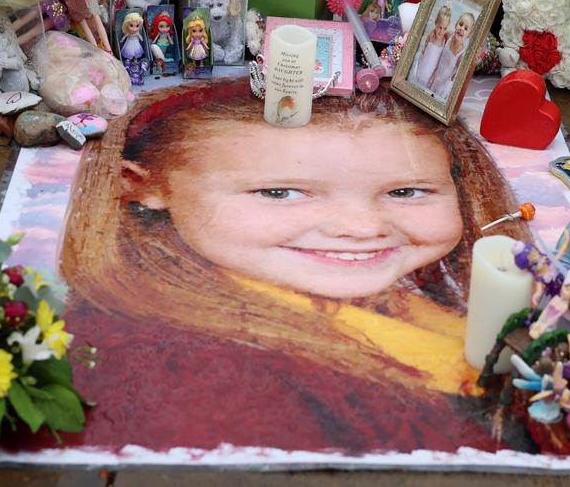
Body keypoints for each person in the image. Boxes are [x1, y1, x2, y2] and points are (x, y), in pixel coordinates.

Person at [51, 79, 530, 455]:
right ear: (144, 185)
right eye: (279, 192)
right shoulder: (196, 385)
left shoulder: (399, 301)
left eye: (405, 191)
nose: (361, 229)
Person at [428, 11, 475, 100]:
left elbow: (456, 76)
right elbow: (438, 32)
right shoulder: (449, 35)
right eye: (460, 24)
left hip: (443, 84)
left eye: (466, 29)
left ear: (469, 35)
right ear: (456, 24)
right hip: (435, 73)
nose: (461, 29)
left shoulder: (461, 54)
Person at [410, 3, 451, 89]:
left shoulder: (445, 39)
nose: (441, 31)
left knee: (423, 86)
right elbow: (423, 51)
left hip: (431, 71)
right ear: (436, 22)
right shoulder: (430, 36)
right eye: (440, 27)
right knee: (416, 80)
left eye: (445, 28)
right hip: (422, 66)